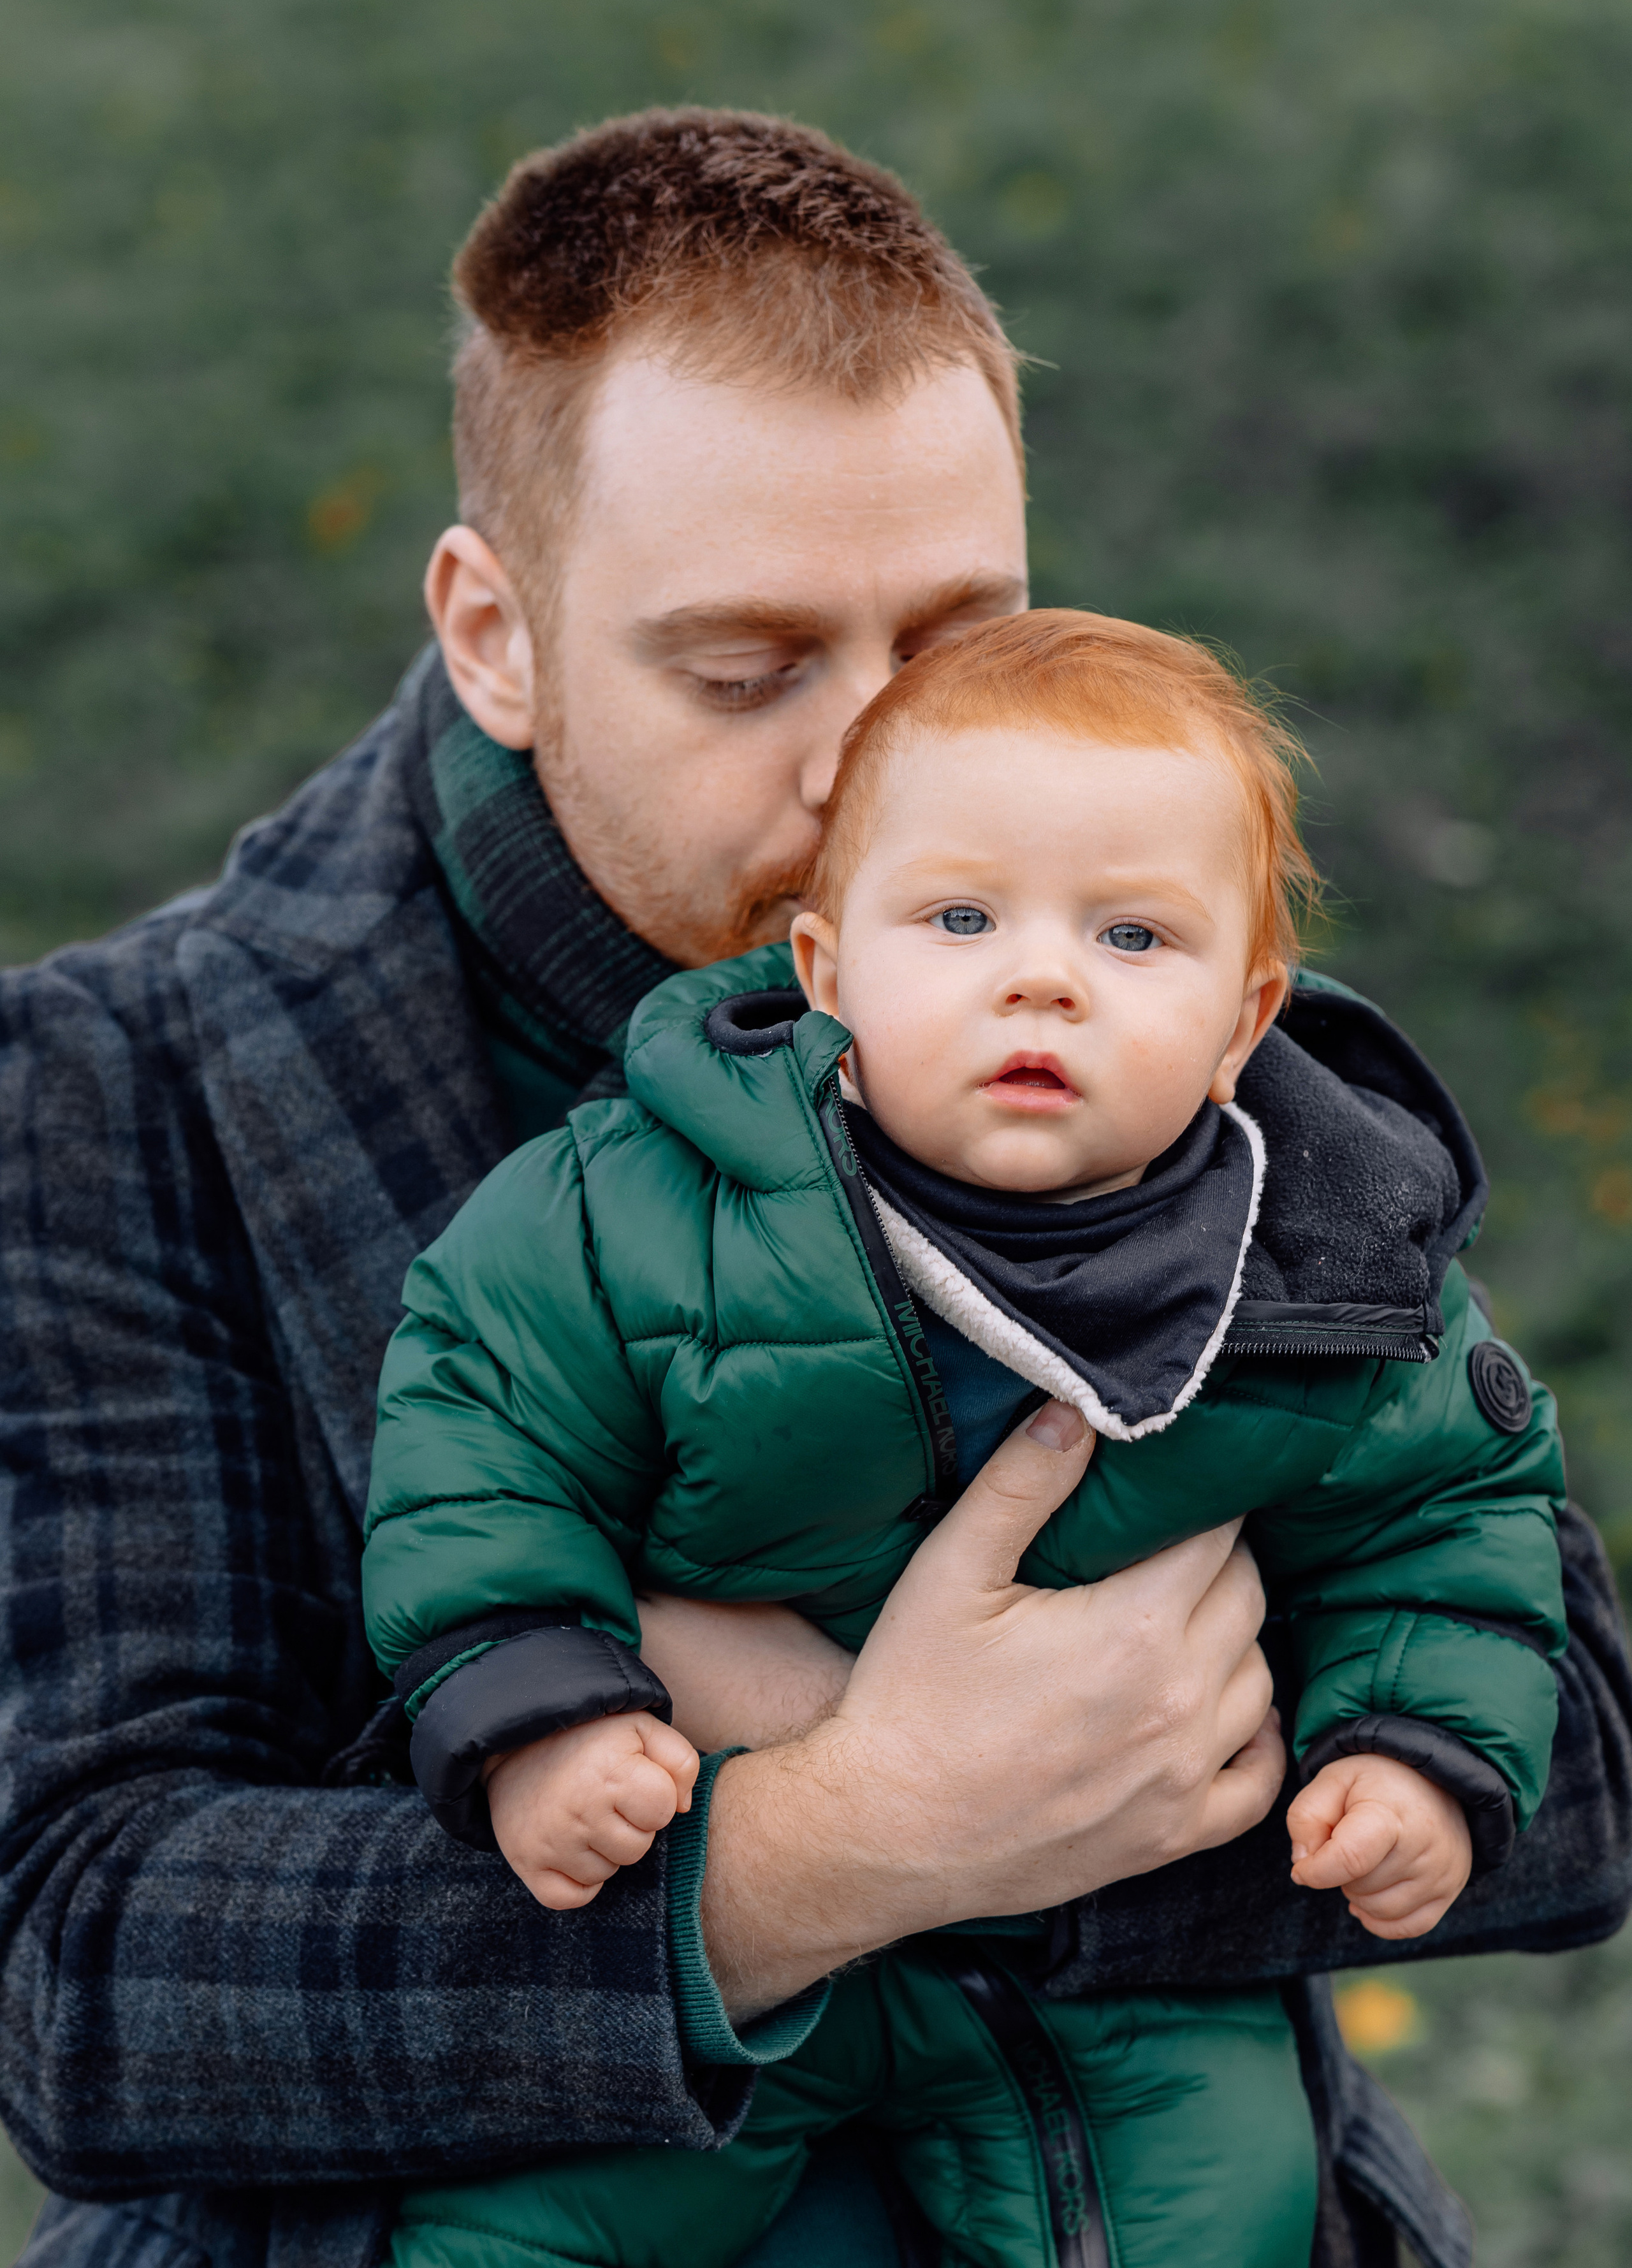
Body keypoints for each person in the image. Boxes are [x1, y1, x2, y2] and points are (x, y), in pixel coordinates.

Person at [0, 110, 1625, 2268]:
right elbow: (84, 1975)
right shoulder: (124, 1088)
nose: (881, 770)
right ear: (498, 634)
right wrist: (834, 1846)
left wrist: (1062, 1795)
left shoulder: (1141, 993)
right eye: (748, 673)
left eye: (958, 639)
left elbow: (1576, 1754)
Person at [363, 611, 1564, 2268]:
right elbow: (485, 1424)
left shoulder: (1329, 1272)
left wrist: (1416, 1751)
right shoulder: (641, 1204)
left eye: (1136, 938)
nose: (1041, 972)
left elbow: (1448, 1523)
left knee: (1222, 2203)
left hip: (1111, 1973)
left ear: (1245, 1020)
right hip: (716, 1901)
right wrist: (534, 1706)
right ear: (827, 971)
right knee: (531, 2218)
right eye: (959, 917)